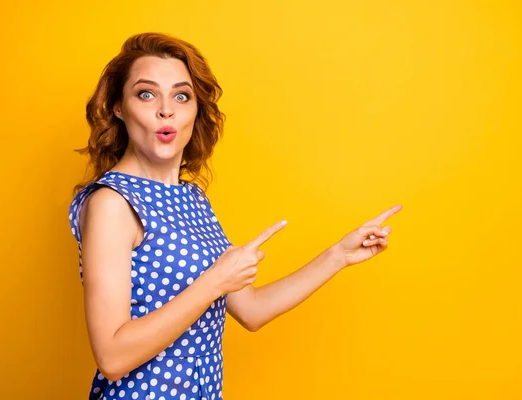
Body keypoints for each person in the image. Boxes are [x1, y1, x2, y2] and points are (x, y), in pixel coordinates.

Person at [68, 32, 402, 400]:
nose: (167, 110)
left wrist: (339, 254)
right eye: (146, 94)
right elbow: (113, 357)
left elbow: (252, 309)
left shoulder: (192, 199)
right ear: (118, 107)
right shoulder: (113, 202)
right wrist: (214, 281)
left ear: (196, 110)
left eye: (182, 96)